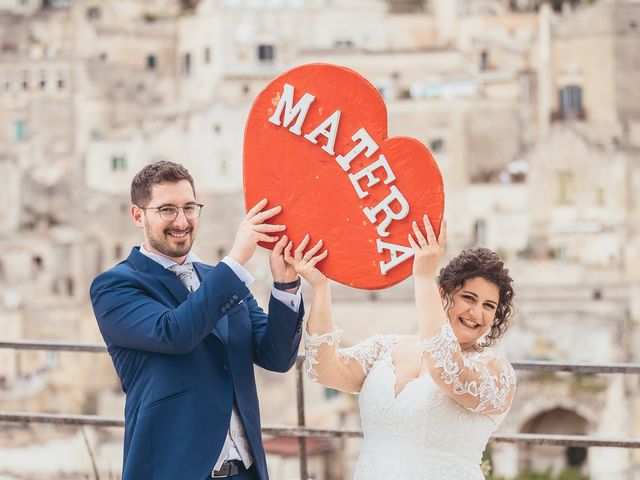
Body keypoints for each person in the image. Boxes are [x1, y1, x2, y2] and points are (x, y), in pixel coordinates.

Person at [90, 161, 305, 480]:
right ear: (138, 215)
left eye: (189, 207)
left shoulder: (221, 280)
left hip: (245, 471)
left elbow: (276, 357)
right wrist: (236, 260)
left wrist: (285, 285)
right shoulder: (115, 286)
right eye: (166, 209)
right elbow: (174, 333)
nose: (182, 221)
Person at [287, 215, 517, 480]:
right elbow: (322, 369)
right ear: (443, 295)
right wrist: (320, 287)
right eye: (468, 298)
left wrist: (422, 276)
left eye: (489, 306)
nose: (476, 313)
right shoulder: (385, 347)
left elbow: (447, 372)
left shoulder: (497, 371)